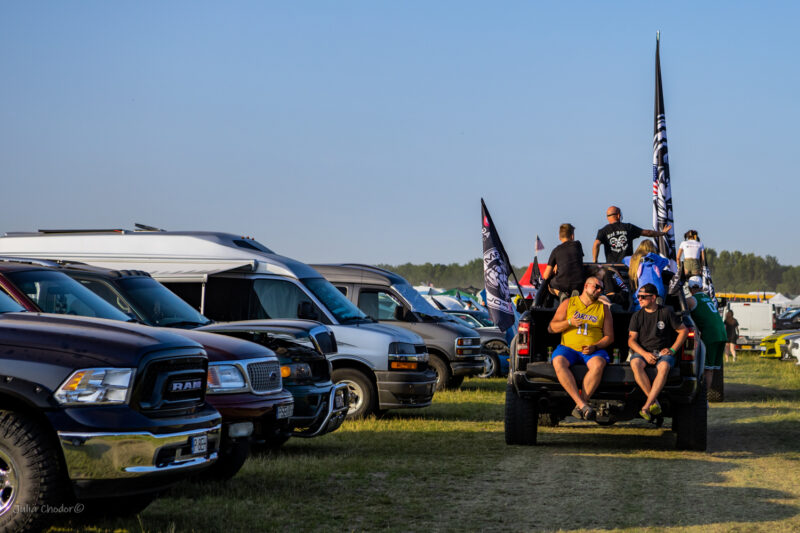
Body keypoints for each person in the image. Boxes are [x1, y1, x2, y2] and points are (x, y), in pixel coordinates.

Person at [547, 276, 615, 420]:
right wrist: (569, 322)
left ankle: (581, 406)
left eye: (601, 289)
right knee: (558, 361)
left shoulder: (603, 308)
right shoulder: (568, 303)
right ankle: (582, 404)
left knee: (598, 364)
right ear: (585, 286)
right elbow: (551, 328)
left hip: (592, 350)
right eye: (596, 287)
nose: (599, 290)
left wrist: (595, 346)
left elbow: (609, 337)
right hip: (568, 348)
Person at [628, 283, 688, 421]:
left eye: (643, 296)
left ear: (653, 297)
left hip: (662, 354)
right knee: (635, 363)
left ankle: (646, 406)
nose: (640, 299)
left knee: (664, 366)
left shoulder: (666, 312)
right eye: (638, 296)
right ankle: (653, 403)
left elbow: (683, 331)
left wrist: (672, 350)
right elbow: (631, 341)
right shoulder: (637, 316)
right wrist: (645, 354)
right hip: (643, 353)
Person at [592, 205, 673, 263]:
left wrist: (595, 260)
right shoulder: (628, 227)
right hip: (627, 266)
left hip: (612, 267)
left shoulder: (603, 231)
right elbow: (648, 233)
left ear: (607, 217)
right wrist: (662, 233)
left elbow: (596, 245)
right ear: (618, 215)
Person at [686, 276, 727, 391]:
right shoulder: (707, 297)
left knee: (707, 369)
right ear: (701, 287)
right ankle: (705, 397)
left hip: (711, 334)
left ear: (689, 288)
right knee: (711, 368)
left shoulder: (690, 300)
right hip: (722, 333)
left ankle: (704, 398)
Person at [542, 223, 585, 298]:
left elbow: (546, 275)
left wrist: (556, 267)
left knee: (549, 284)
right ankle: (575, 292)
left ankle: (561, 294)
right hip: (579, 283)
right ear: (572, 236)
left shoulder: (556, 250)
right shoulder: (578, 245)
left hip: (562, 284)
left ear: (559, 237)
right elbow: (576, 261)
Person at [627, 240, 671, 311]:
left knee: (636, 304)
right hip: (658, 292)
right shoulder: (657, 260)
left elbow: (624, 260)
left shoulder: (634, 260)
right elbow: (666, 261)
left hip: (642, 292)